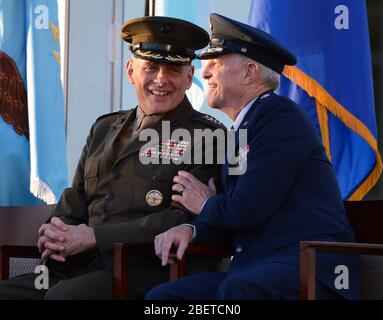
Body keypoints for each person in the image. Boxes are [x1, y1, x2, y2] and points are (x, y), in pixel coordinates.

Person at [0, 16, 225, 300]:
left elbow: (183, 218)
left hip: (146, 271)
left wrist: (92, 237)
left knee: (65, 297)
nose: (161, 79)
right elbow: (75, 199)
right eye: (151, 67)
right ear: (131, 71)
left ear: (189, 77)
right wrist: (57, 232)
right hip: (77, 267)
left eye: (173, 69)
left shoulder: (206, 136)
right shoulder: (104, 127)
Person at [146, 13, 360, 300]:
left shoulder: (279, 117)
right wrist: (190, 229)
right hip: (258, 269)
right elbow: (232, 213)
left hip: (311, 268)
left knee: (238, 291)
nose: (205, 73)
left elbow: (245, 209)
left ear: (250, 73)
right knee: (164, 299)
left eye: (215, 64)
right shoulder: (244, 127)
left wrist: (206, 202)